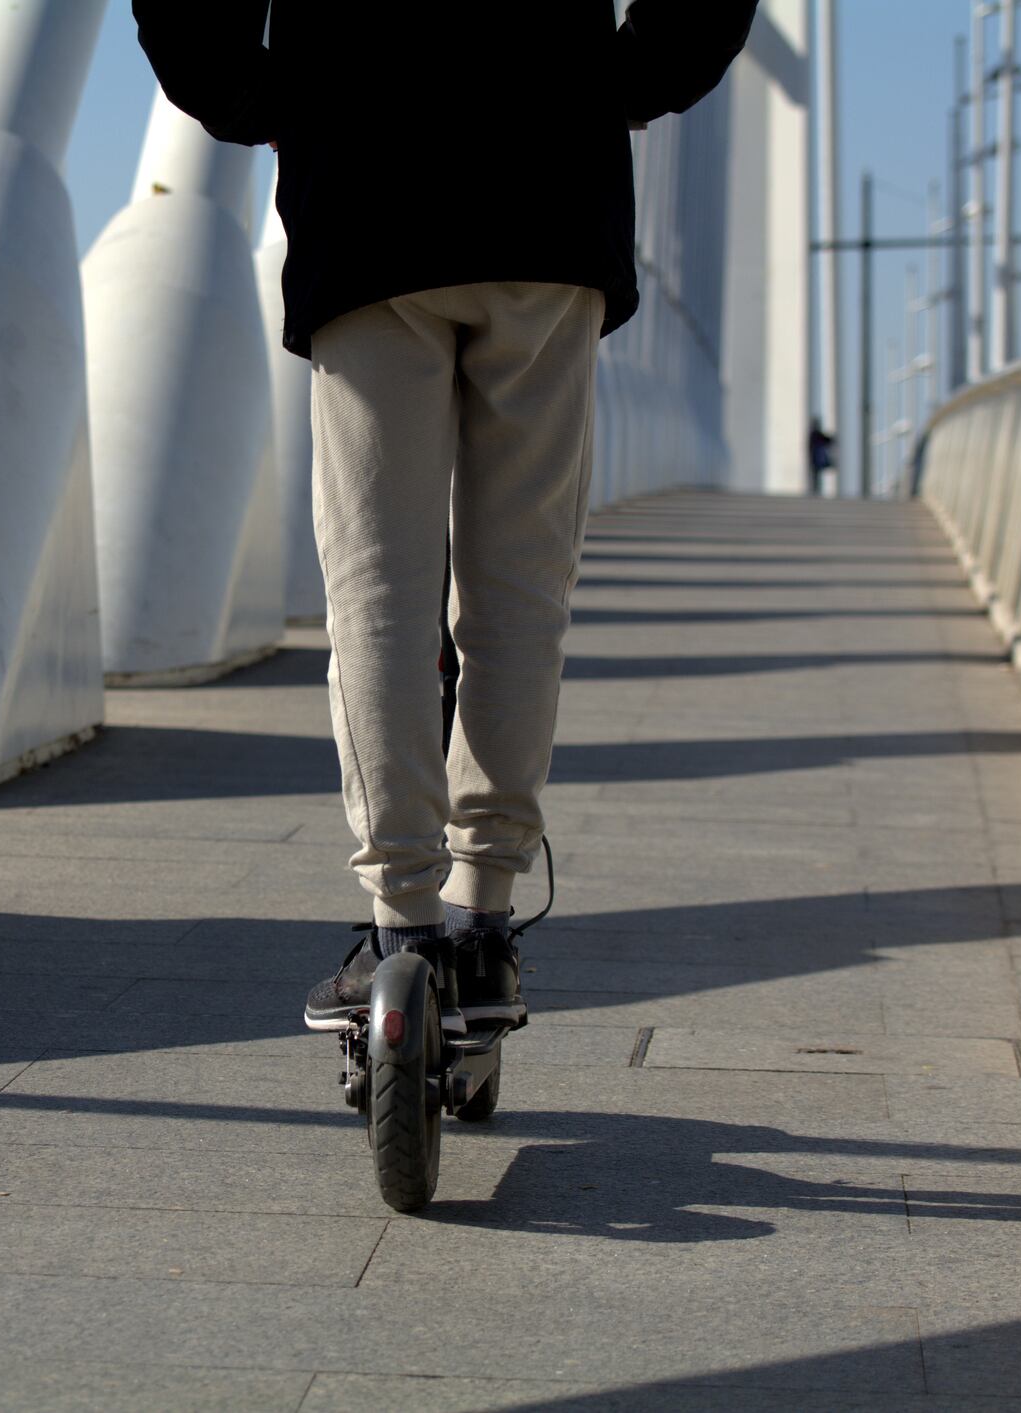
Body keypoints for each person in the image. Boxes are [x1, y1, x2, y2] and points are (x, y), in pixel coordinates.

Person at [132, 1, 760, 1031]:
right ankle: (485, 915)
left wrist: (262, 97)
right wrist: (615, 86)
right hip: (549, 198)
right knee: (519, 591)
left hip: (367, 200)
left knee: (378, 590)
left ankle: (402, 923)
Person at [809, 418, 837, 497]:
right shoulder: (815, 433)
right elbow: (826, 439)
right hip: (816, 457)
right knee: (816, 473)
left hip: (814, 457)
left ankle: (815, 489)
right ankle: (815, 489)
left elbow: (825, 439)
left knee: (816, 473)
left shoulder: (813, 433)